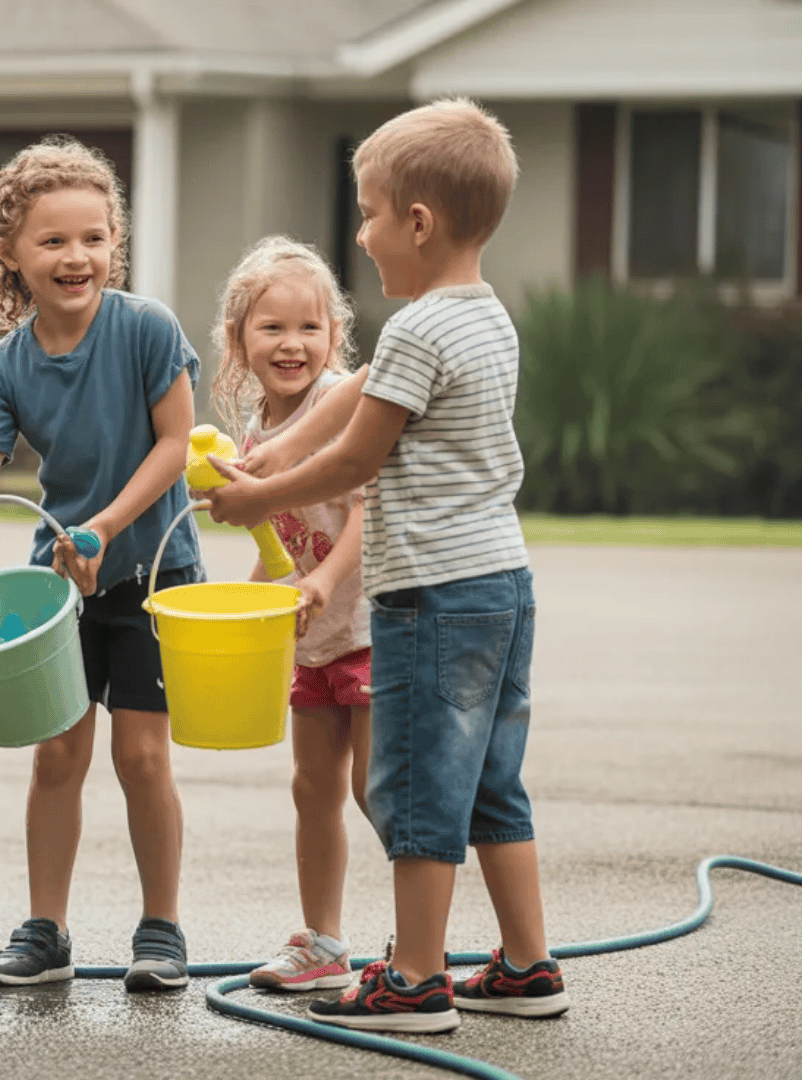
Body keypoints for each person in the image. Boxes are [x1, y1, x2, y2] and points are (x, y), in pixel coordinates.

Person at [206, 99, 569, 1032]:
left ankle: (413, 981)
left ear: (417, 222)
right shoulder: (483, 317)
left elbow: (358, 458)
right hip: (502, 584)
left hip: (430, 595)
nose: (361, 235)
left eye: (367, 215)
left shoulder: (413, 328)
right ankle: (528, 966)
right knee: (490, 782)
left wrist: (257, 495)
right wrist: (274, 455)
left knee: (411, 788)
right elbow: (354, 397)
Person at [0, 136, 202, 993]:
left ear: (114, 242)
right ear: (9, 252)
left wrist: (105, 527)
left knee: (143, 757)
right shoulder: (8, 363)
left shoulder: (146, 328)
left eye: (93, 237)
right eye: (52, 241)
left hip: (152, 576)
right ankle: (45, 934)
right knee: (57, 756)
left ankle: (160, 930)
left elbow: (175, 445)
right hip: (61, 587)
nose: (76, 256)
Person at [208, 237, 373, 993]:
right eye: (272, 327)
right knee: (313, 789)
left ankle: (422, 939)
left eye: (310, 327)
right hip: (312, 639)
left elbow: (367, 512)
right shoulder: (254, 436)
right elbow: (278, 546)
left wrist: (324, 582)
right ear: (238, 338)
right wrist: (244, 610)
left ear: (335, 335)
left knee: (378, 788)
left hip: (366, 627)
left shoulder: (340, 405)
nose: (292, 344)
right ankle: (325, 944)